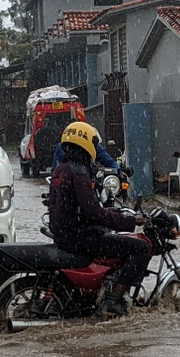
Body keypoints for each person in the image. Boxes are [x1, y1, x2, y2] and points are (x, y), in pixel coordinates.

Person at [49, 122, 149, 318]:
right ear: (86, 143)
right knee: (141, 248)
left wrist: (111, 214)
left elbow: (83, 207)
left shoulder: (62, 168)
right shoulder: (78, 172)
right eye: (94, 143)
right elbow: (93, 212)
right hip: (80, 238)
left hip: (65, 235)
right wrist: (130, 222)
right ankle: (113, 301)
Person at [52, 128, 120, 173]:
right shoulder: (62, 147)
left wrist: (119, 170)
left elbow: (107, 160)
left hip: (87, 178)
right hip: (70, 182)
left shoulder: (93, 145)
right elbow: (55, 169)